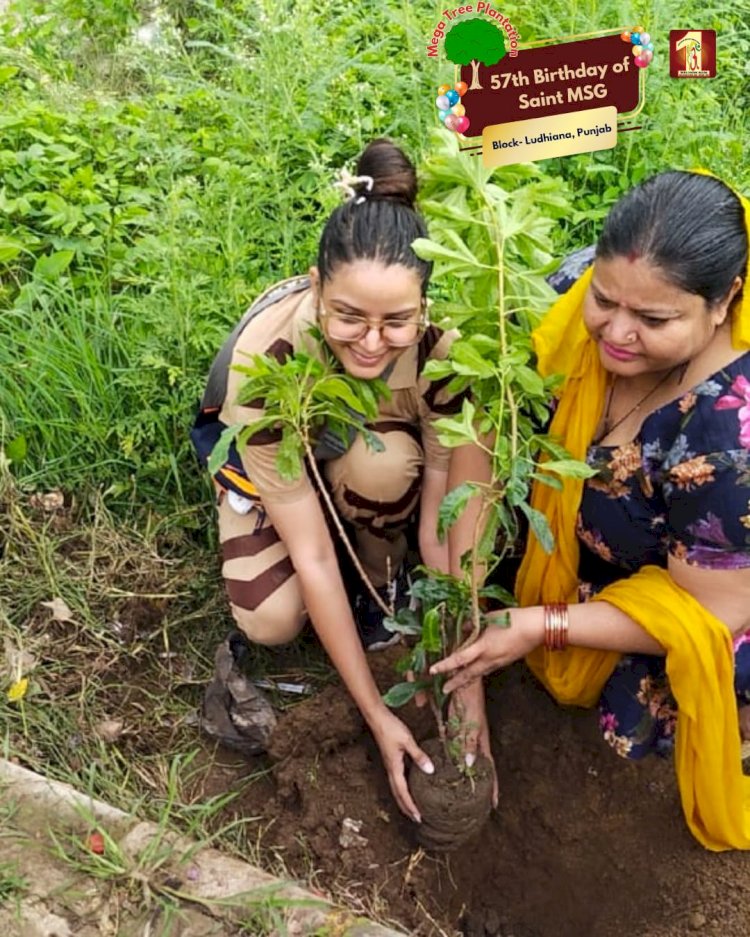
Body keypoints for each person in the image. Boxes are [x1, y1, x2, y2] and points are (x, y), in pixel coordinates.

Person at [433, 170, 750, 849]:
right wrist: (466, 644)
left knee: (655, 703)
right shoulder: (571, 300)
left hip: (708, 584)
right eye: (605, 299)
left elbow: (715, 611)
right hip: (583, 534)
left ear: (722, 303)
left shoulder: (726, 436)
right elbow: (484, 438)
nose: (617, 332)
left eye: (654, 320)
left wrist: (539, 623)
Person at [191, 139, 469, 824]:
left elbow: (446, 510)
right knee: (273, 618)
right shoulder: (268, 365)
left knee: (384, 468)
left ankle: (378, 581)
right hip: (279, 463)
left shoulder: (444, 354)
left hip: (365, 450)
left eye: (396, 321)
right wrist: (377, 714)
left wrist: (465, 690)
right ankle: (345, 589)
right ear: (316, 287)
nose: (372, 341)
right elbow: (310, 552)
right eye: (349, 316)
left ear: (425, 305)